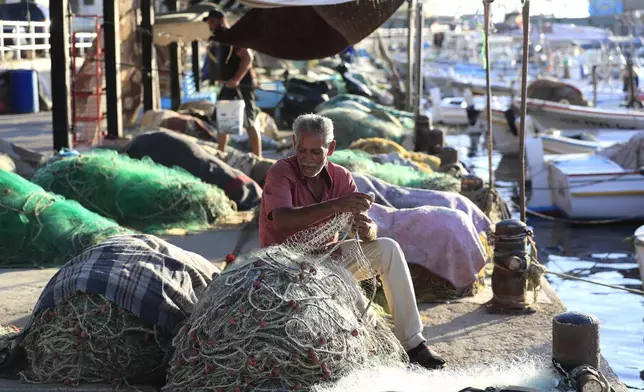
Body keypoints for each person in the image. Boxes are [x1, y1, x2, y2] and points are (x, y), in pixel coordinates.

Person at [258, 113, 446, 370]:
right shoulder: (280, 172)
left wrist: (367, 229)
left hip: (327, 255)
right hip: (285, 263)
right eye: (302, 150)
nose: (307, 159)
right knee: (343, 280)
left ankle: (413, 344)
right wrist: (336, 205)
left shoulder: (342, 177)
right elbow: (282, 221)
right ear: (293, 143)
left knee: (388, 249)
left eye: (316, 152)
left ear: (331, 148)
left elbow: (367, 229)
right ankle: (380, 340)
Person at [204, 9, 262, 158]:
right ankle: (221, 154)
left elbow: (247, 58)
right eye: (209, 22)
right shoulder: (218, 39)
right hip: (227, 85)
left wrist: (236, 79)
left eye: (212, 21)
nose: (210, 25)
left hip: (242, 85)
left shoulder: (234, 36)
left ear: (222, 20)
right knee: (223, 119)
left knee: (249, 120)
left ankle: (258, 156)